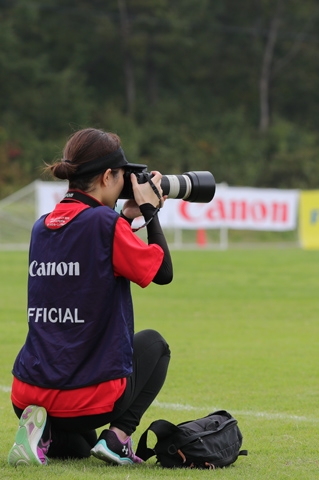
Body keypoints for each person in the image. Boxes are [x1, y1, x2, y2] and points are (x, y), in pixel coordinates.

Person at [8, 128, 173, 467]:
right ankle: (118, 438)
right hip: (88, 401)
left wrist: (125, 217)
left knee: (79, 448)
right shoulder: (103, 224)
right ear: (108, 175)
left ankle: (42, 431)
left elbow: (94, 248)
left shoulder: (43, 226)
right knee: (156, 346)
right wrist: (150, 210)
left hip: (27, 393)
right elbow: (163, 273)